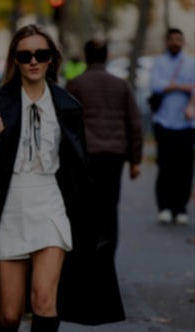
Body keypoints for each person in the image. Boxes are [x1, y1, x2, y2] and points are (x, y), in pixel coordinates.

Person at [0, 24, 124, 332]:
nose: (34, 62)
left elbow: (79, 166)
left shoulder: (68, 105)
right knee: (10, 311)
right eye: (25, 55)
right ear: (15, 61)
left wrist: (95, 216)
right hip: (10, 205)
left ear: (53, 59)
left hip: (52, 205)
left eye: (41, 54)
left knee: (44, 301)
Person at [66, 39, 143, 259]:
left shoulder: (76, 84)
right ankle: (107, 254)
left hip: (86, 156)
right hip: (114, 155)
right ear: (107, 57)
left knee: (85, 207)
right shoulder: (120, 85)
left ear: (86, 56)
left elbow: (66, 123)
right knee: (109, 207)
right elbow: (134, 123)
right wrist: (135, 161)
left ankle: (87, 252)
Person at [149, 28, 195, 225]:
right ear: (167, 42)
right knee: (165, 166)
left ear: (183, 42)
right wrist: (181, 86)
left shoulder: (191, 63)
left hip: (186, 123)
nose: (175, 42)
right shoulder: (159, 63)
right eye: (172, 39)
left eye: (178, 39)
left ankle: (180, 207)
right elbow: (156, 85)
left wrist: (174, 86)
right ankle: (165, 207)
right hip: (164, 121)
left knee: (184, 168)